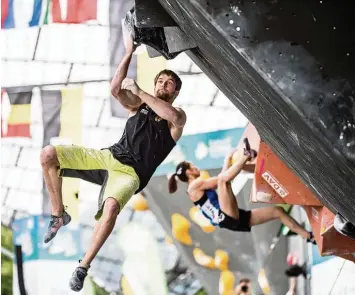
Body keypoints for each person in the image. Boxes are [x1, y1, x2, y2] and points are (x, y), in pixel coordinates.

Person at [40, 35, 186, 292]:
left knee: (110, 209)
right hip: (108, 157)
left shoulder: (176, 119)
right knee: (48, 154)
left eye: (169, 83)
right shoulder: (138, 107)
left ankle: (83, 266)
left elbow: (171, 114)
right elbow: (115, 89)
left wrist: (140, 90)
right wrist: (129, 51)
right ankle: (58, 213)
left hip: (130, 174)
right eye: (160, 80)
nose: (164, 84)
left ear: (175, 91)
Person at [168, 139, 316, 243]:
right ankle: (247, 155)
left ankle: (309, 236)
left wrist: (227, 161)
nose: (197, 168)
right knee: (222, 181)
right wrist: (241, 159)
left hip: (228, 220)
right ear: (188, 173)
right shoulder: (194, 185)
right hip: (225, 216)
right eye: (193, 167)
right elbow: (222, 179)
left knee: (277, 212)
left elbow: (224, 179)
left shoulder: (195, 188)